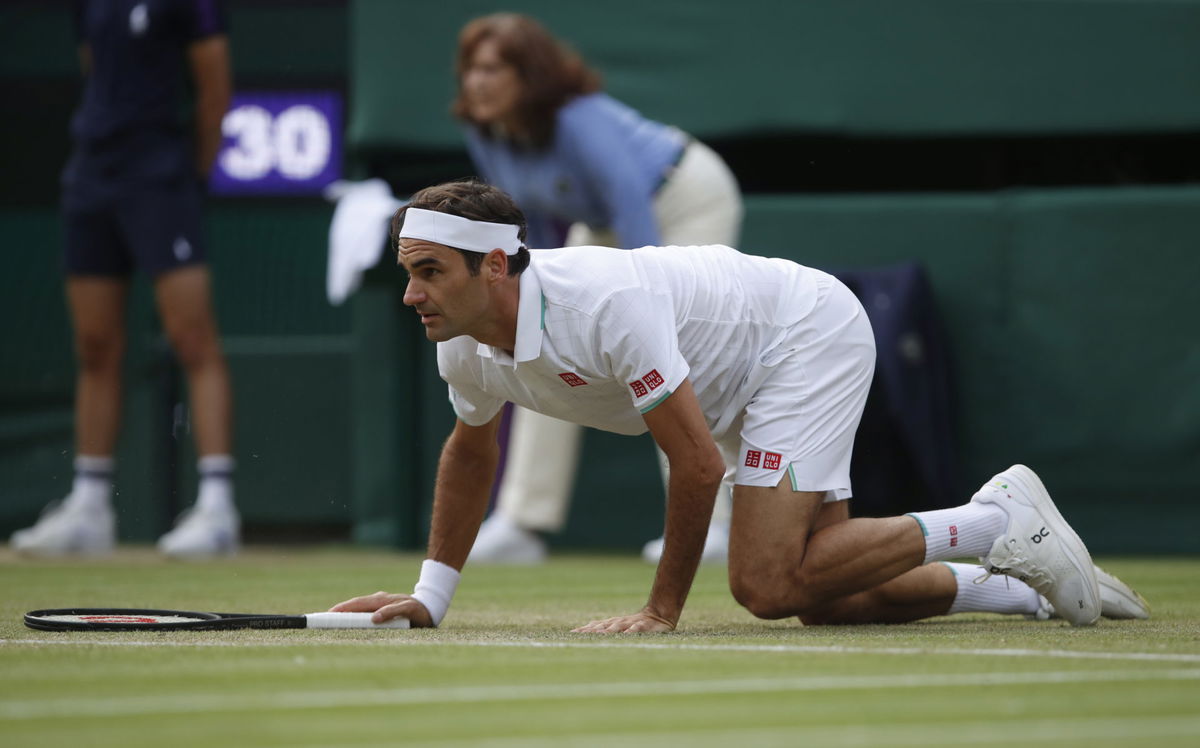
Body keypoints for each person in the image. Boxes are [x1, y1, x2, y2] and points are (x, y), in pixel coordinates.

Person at [330, 180, 1149, 631]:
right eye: (409, 272)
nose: (411, 295)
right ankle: (1015, 582)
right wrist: (430, 597)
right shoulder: (460, 344)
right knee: (826, 597)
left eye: (430, 272)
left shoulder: (603, 303)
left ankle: (994, 521)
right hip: (734, 378)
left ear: (496, 269)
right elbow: (471, 450)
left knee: (762, 585)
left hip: (801, 336)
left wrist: (661, 611)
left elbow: (694, 463)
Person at [453, 13, 744, 565]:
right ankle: (521, 520)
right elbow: (520, 218)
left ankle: (713, 527)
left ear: (528, 75)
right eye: (471, 69)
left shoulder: (577, 119)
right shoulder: (483, 129)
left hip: (684, 196)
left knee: (677, 353)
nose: (477, 82)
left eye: (493, 68)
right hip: (604, 220)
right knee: (536, 340)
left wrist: (650, 295)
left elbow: (629, 196)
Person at [11, 0, 239, 558]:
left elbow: (214, 92)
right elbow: (98, 70)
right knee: (93, 344)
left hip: (160, 175)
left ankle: (217, 508)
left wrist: (190, 177)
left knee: (193, 339)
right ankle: (89, 507)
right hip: (92, 172)